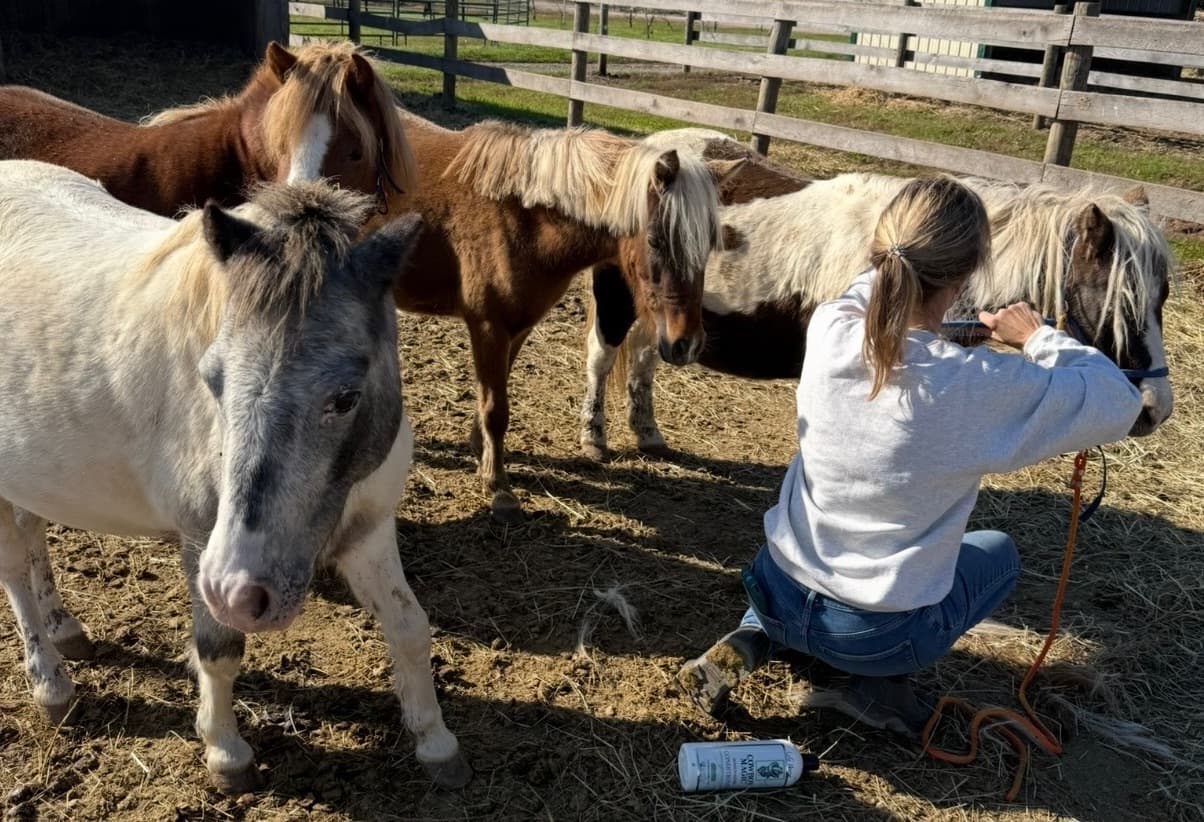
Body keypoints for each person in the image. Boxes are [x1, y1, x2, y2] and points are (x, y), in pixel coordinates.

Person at [677, 176, 1143, 738]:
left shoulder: (829, 327)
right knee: (999, 554)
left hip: (774, 583)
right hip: (867, 634)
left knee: (817, 551)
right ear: (969, 274)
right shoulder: (973, 385)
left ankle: (757, 633)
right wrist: (1037, 337)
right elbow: (1117, 399)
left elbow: (873, 290)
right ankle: (869, 688)